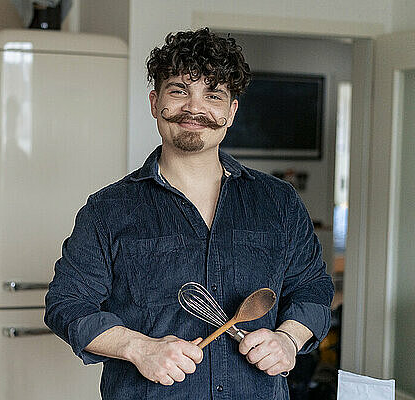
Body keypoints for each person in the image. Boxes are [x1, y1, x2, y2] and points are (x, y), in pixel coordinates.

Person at [45, 27, 334, 400]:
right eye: (179, 90)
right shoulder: (107, 210)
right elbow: (67, 305)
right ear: (154, 102)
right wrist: (138, 347)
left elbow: (312, 289)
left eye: (212, 95)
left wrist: (288, 339)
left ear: (231, 112)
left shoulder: (278, 202)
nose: (194, 109)